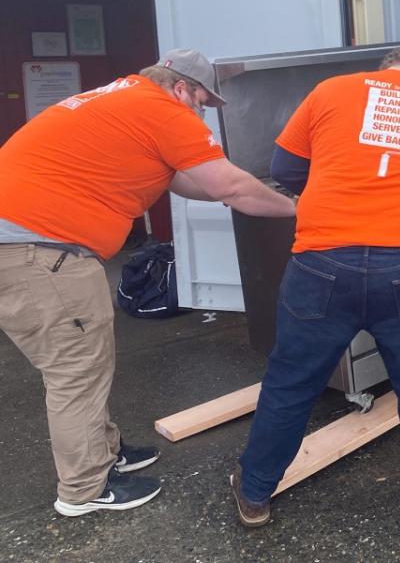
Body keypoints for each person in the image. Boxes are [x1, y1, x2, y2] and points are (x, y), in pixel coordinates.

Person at [0, 49, 296, 517]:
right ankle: (82, 490)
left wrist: (231, 194)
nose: (201, 112)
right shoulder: (164, 111)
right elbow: (230, 185)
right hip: (39, 253)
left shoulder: (124, 99)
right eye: (201, 101)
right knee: (74, 372)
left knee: (87, 363)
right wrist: (298, 208)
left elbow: (181, 180)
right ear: (182, 88)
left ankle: (103, 453)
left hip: (29, 245)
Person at [231, 45, 400, 537]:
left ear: (384, 69)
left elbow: (283, 169)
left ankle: (255, 492)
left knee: (292, 381)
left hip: (323, 261)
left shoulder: (330, 91)